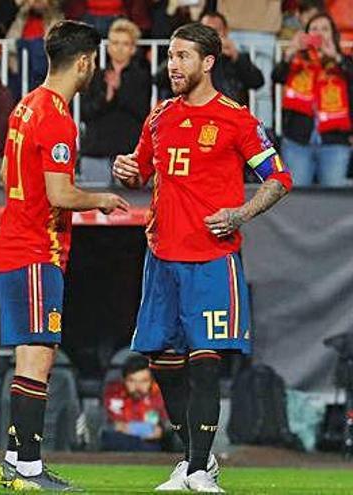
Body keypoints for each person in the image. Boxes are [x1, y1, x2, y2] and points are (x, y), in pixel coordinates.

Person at [113, 22, 293, 492]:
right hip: (161, 256)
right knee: (160, 360)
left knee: (206, 360)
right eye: (170, 57)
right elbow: (140, 173)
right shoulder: (158, 117)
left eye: (183, 57)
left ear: (208, 62)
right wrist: (125, 170)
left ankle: (195, 468)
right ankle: (198, 457)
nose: (173, 65)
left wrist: (240, 212)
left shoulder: (236, 118)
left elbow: (278, 177)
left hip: (212, 258)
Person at [0, 21, 129, 491]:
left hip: (14, 243)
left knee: (28, 357)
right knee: (38, 359)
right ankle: (28, 467)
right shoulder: (57, 118)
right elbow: (59, 193)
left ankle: (16, 460)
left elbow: (7, 173)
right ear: (86, 62)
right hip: (36, 249)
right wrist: (103, 200)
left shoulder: (24, 106)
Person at [272, 12, 352, 187]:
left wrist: (336, 57)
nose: (320, 33)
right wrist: (291, 52)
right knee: (298, 201)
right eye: (314, 29)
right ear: (307, 35)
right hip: (297, 143)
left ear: (333, 35)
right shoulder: (297, 61)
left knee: (334, 203)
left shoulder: (344, 62)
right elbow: (276, 76)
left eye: (325, 29)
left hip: (334, 143)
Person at [80, 18, 151, 186]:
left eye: (125, 43)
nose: (119, 47)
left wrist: (120, 89)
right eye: (115, 42)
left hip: (128, 155)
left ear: (133, 48)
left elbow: (142, 112)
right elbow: (85, 112)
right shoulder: (93, 76)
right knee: (92, 207)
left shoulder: (142, 77)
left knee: (130, 209)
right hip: (96, 151)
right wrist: (107, 97)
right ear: (108, 46)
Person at [157, 11, 266, 107]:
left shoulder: (236, 57)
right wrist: (181, 55)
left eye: (215, 31)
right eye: (205, 31)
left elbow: (257, 82)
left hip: (227, 115)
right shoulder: (187, 56)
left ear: (225, 32)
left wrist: (236, 56)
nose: (210, 36)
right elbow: (158, 79)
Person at [101, 354, 168, 452]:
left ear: (152, 381)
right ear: (124, 380)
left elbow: (167, 425)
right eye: (132, 381)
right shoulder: (113, 393)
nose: (138, 387)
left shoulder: (160, 394)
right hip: (119, 443)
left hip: (154, 444)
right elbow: (111, 426)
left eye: (144, 381)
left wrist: (162, 430)